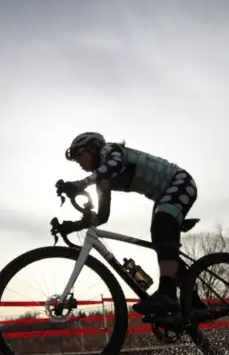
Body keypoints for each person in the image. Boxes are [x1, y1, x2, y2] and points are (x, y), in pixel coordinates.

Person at [56, 131, 203, 318]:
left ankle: (168, 295)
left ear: (93, 147)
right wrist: (73, 226)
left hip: (181, 181)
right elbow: (102, 217)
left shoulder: (112, 152)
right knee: (162, 243)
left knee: (161, 227)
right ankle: (194, 302)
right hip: (165, 194)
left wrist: (81, 184)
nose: (79, 162)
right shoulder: (103, 179)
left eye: (79, 155)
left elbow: (113, 166)